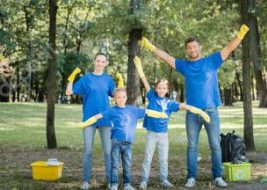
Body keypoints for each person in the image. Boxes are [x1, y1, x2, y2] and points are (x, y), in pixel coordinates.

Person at [140, 24, 249, 187]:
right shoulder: (184, 65)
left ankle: (218, 176)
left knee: (214, 145)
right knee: (192, 146)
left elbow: (228, 48)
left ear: (199, 48)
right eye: (189, 48)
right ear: (187, 50)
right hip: (192, 113)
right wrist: (150, 47)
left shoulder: (211, 61)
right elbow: (166, 57)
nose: (192, 50)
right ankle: (191, 177)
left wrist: (240, 35)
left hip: (210, 111)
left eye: (195, 47)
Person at [131, 57, 209, 189]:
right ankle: (144, 180)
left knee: (163, 159)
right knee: (147, 158)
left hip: (163, 135)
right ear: (155, 89)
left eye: (164, 88)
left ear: (167, 90)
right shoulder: (151, 96)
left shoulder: (169, 103)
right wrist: (140, 70)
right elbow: (145, 82)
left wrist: (200, 112)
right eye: (159, 88)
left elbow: (184, 106)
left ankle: (164, 180)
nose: (161, 90)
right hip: (151, 134)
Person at [78, 88, 168, 190]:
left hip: (128, 143)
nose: (121, 99)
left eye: (123, 97)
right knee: (115, 165)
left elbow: (148, 112)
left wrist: (161, 114)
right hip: (116, 142)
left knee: (127, 165)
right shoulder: (112, 111)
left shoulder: (133, 110)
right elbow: (97, 117)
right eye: (118, 97)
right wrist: (84, 124)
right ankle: (114, 184)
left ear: (126, 97)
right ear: (114, 99)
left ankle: (127, 184)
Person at [65, 53, 116, 190]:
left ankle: (111, 181)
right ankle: (86, 181)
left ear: (106, 63)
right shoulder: (86, 78)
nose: (100, 64)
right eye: (98, 61)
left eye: (103, 61)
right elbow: (69, 92)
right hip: (89, 120)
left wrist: (121, 85)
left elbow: (117, 96)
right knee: (88, 150)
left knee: (107, 151)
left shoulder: (108, 79)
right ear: (94, 62)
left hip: (105, 118)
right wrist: (72, 77)